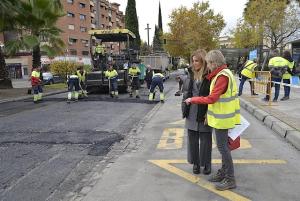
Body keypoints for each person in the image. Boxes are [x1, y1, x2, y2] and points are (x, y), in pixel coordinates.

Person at [185, 50, 241, 191]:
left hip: (223, 119)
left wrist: (193, 99)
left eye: (209, 63)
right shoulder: (223, 73)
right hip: (223, 117)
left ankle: (230, 179)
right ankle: (223, 173)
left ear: (214, 62)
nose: (208, 66)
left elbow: (212, 98)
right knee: (224, 148)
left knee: (223, 148)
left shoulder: (222, 76)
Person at [181, 49, 212, 175]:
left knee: (206, 140)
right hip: (191, 111)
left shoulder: (210, 75)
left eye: (197, 61)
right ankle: (196, 163)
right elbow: (186, 92)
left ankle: (206, 163)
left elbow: (212, 96)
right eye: (193, 61)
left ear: (203, 61)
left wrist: (209, 113)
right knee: (192, 139)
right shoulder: (190, 74)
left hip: (205, 111)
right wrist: (184, 108)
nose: (194, 63)